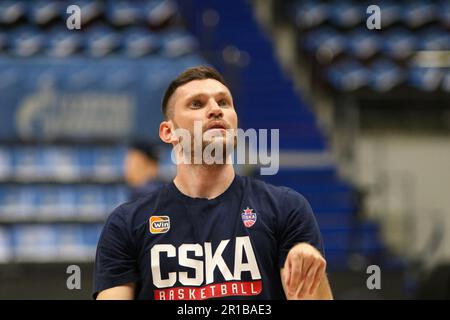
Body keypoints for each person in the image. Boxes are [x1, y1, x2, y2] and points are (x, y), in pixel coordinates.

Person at [93, 66, 333, 300]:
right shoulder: (126, 223)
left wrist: (313, 275)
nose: (216, 110)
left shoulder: (286, 208)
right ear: (168, 132)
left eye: (224, 102)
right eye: (197, 104)